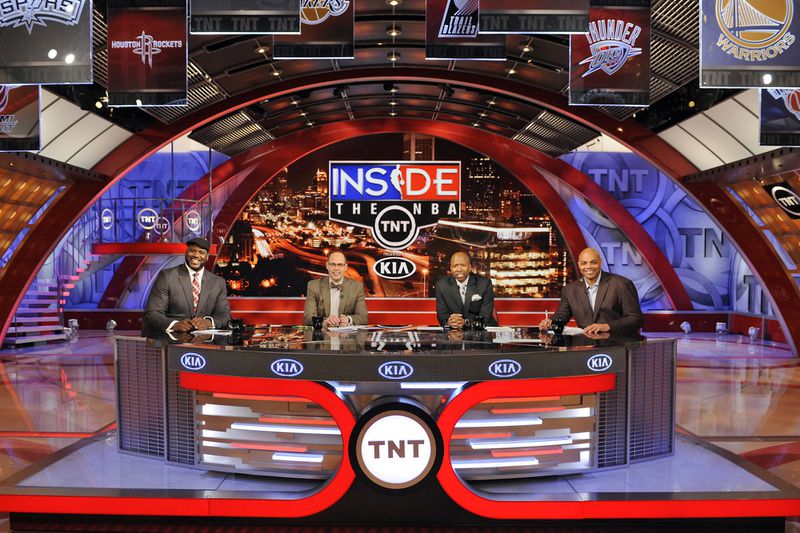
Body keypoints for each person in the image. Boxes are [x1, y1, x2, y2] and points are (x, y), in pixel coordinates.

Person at [539, 247, 643, 335]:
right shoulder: (569, 290)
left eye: (593, 262)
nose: (588, 267)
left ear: (600, 262)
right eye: (584, 263)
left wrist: (607, 326)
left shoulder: (621, 284)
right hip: (585, 347)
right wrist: (551, 322)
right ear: (579, 264)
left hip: (617, 344)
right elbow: (562, 315)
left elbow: (636, 319)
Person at [142, 237, 231, 337]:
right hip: (172, 340)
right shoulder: (167, 276)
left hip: (204, 343)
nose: (196, 255)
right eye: (192, 251)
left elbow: (224, 315)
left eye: (201, 252)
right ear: (186, 253)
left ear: (207, 257)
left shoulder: (218, 282)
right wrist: (174, 325)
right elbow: (152, 313)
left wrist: (207, 323)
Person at [303, 250, 368, 327]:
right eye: (333, 264)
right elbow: (308, 318)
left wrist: (348, 320)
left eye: (340, 265)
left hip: (346, 337)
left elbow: (363, 318)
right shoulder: (314, 286)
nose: (336, 268)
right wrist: (324, 321)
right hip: (322, 336)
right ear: (327, 265)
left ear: (345, 267)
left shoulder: (357, 287)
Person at [435, 251, 498, 329]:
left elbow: (485, 315)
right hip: (455, 333)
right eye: (455, 266)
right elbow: (442, 315)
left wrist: (465, 323)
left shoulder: (484, 284)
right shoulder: (442, 285)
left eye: (463, 265)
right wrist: (450, 321)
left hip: (482, 331)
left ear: (470, 267)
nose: (459, 269)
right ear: (450, 268)